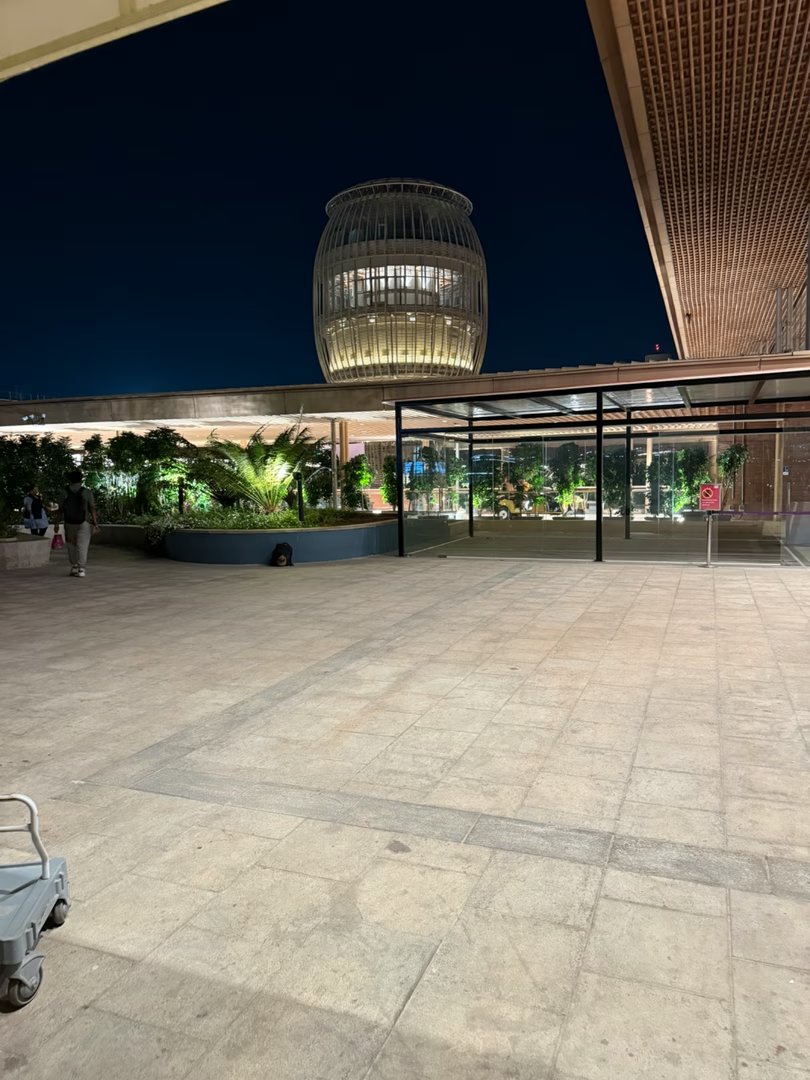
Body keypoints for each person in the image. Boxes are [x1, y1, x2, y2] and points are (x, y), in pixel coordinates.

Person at [60, 470, 99, 578]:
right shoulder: (86, 492)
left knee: (71, 545)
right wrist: (95, 523)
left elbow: (60, 509)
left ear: (70, 479)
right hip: (83, 522)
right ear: (81, 479)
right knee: (83, 545)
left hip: (69, 522)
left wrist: (56, 523)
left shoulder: (64, 492)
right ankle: (81, 568)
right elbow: (92, 508)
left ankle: (74, 566)